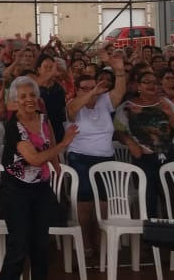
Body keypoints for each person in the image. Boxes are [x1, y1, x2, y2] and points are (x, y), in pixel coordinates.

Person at [0, 78, 79, 280]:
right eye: (23, 96)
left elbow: (49, 144)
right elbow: (34, 159)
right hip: (15, 190)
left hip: (40, 188)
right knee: (19, 246)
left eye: (32, 95)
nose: (29, 99)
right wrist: (64, 144)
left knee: (41, 247)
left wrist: (57, 169)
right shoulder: (14, 127)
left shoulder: (43, 118)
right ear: (15, 101)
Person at [65, 53, 128, 256]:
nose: (92, 91)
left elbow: (120, 91)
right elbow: (74, 109)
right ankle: (84, 239)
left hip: (105, 158)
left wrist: (119, 70)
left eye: (93, 87)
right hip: (80, 157)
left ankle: (100, 239)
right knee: (85, 201)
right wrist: (91, 92)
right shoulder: (72, 105)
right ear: (77, 90)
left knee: (103, 202)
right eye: (85, 88)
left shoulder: (104, 102)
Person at [114, 70, 174, 218]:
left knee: (172, 198)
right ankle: (150, 231)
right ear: (138, 86)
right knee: (148, 200)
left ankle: (173, 229)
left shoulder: (167, 103)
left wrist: (170, 115)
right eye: (146, 82)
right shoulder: (127, 107)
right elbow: (118, 131)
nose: (151, 85)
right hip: (143, 158)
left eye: (154, 82)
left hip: (169, 156)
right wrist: (130, 142)